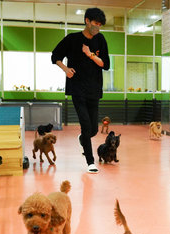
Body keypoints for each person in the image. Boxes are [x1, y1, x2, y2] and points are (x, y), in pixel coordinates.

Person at [51, 8, 110, 173]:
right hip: (77, 88)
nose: (97, 27)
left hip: (94, 89)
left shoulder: (101, 40)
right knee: (85, 125)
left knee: (93, 129)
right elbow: (55, 56)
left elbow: (105, 65)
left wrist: (90, 54)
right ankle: (90, 162)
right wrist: (65, 69)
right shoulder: (72, 39)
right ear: (87, 21)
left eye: (100, 24)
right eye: (95, 23)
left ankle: (83, 138)